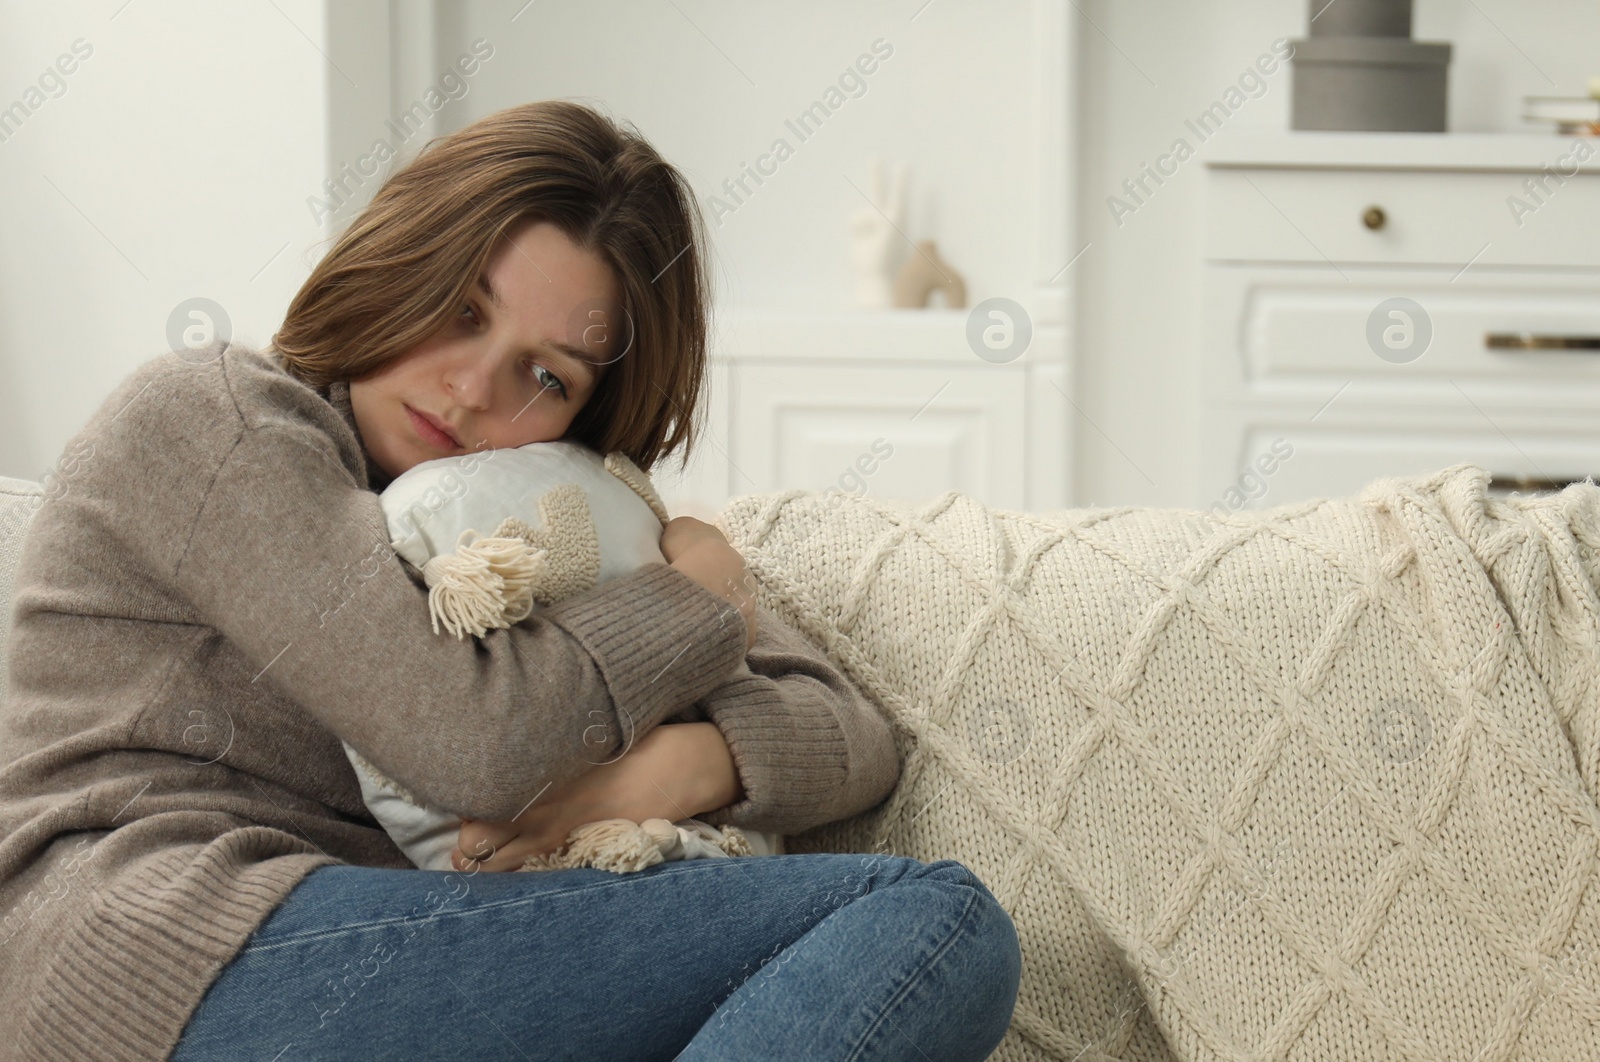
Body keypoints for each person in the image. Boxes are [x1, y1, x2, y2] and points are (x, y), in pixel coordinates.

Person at [0, 100, 1021, 1061]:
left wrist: (657, 776)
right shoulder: (216, 424)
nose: (474, 385)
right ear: (397, 258)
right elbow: (471, 743)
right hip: (151, 957)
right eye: (460, 309)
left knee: (933, 935)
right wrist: (700, 594)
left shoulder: (535, 517)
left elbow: (851, 735)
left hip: (379, 948)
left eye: (548, 378)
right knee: (933, 923)